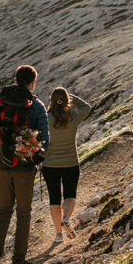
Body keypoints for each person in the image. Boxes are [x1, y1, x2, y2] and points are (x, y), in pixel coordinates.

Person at [0, 64, 49, 264]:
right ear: (33, 82)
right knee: (23, 213)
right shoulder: (36, 105)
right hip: (23, 167)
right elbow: (45, 140)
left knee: (3, 210)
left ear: (14, 80)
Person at [42, 87, 92, 242]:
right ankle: (66, 218)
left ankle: (58, 234)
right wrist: (71, 97)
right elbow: (87, 107)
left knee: (54, 198)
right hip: (71, 162)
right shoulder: (73, 116)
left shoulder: (46, 118)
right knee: (70, 194)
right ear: (66, 101)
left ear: (51, 101)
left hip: (50, 165)